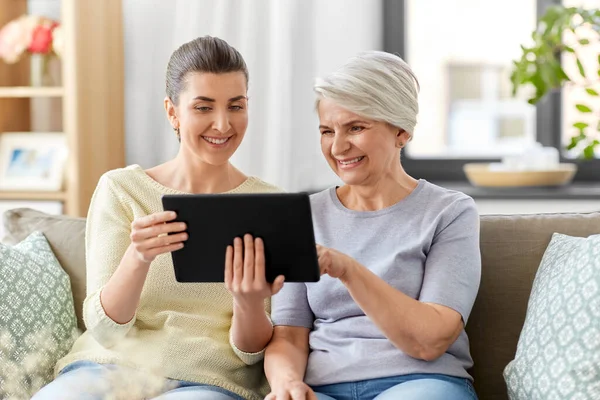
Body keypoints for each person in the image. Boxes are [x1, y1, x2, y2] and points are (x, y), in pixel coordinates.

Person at [33, 36, 284, 400]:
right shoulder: (123, 189)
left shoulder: (268, 205)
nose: (222, 124)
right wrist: (138, 258)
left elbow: (251, 352)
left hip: (207, 381)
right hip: (105, 368)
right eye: (203, 107)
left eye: (235, 106)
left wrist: (247, 302)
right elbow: (104, 330)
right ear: (173, 112)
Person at [264, 51, 481, 400]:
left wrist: (347, 269)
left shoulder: (449, 212)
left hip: (418, 384)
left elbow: (431, 340)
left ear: (401, 131)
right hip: (323, 389)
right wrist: (286, 383)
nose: (338, 146)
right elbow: (288, 335)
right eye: (326, 131)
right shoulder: (302, 215)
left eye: (356, 127)